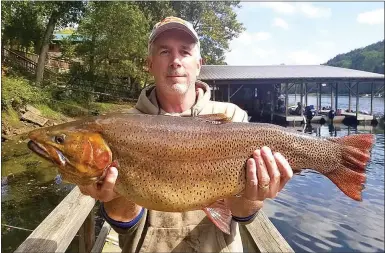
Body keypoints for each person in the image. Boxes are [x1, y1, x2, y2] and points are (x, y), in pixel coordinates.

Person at [79, 16, 293, 252]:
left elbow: (241, 212)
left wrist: (256, 192)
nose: (175, 61)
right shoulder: (123, 126)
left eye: (185, 51)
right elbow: (124, 221)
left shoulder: (233, 118)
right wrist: (114, 195)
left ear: (199, 63)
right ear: (149, 64)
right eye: (164, 52)